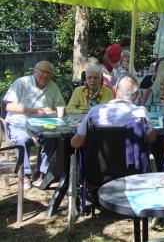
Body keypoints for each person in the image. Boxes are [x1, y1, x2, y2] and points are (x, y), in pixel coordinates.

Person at [2, 61, 65, 189]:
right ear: (35, 71)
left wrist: (55, 112)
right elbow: (9, 106)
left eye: (49, 73)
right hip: (19, 124)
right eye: (43, 71)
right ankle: (25, 175)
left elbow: (60, 106)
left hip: (43, 125)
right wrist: (34, 111)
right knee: (22, 139)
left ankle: (42, 172)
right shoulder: (22, 83)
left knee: (53, 138)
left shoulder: (53, 87)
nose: (45, 75)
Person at [71, 73, 156, 148]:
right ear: (136, 95)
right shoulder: (141, 113)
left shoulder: (96, 112)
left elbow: (76, 143)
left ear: (114, 90)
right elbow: (152, 138)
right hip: (132, 165)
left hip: (97, 165)